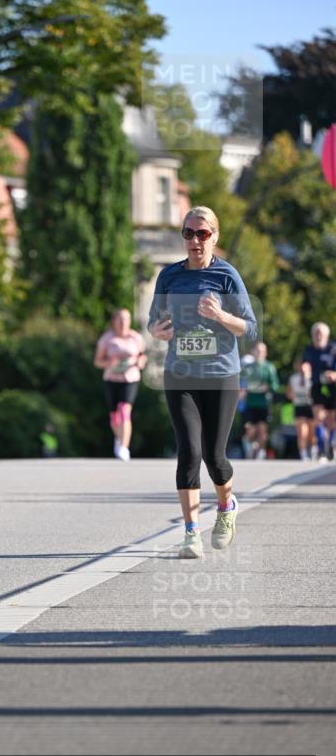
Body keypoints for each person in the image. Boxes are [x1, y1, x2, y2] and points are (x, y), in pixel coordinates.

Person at [148, 206, 257, 559]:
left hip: (221, 375)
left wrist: (220, 315)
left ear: (215, 237)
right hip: (180, 374)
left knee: (214, 456)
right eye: (188, 233)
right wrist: (158, 331)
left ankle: (226, 506)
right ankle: (191, 533)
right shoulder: (169, 277)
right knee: (189, 453)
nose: (195, 241)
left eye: (203, 233)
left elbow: (250, 328)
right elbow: (153, 322)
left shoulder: (227, 276)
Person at [94, 308, 147, 460]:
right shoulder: (107, 339)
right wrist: (109, 362)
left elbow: (143, 356)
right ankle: (119, 438)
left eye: (126, 319)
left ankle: (124, 447)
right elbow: (97, 361)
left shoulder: (135, 337)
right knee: (114, 416)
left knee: (124, 410)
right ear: (114, 321)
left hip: (130, 379)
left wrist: (140, 362)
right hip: (111, 379)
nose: (124, 322)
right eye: (120, 319)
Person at [302, 322, 336, 461]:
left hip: (333, 387)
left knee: (332, 420)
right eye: (316, 333)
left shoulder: (333, 349)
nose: (318, 335)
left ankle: (332, 447)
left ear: (326, 335)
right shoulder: (309, 350)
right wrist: (305, 369)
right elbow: (305, 363)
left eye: (320, 332)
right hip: (316, 386)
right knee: (318, 418)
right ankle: (322, 450)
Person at [241, 342, 279, 459]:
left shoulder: (269, 367)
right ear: (253, 352)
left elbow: (275, 385)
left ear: (265, 353)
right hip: (250, 404)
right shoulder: (248, 368)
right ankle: (249, 448)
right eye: (257, 350)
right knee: (250, 430)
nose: (259, 353)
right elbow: (241, 384)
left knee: (262, 430)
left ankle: (260, 452)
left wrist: (267, 387)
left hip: (263, 403)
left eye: (262, 351)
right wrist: (243, 390)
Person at [286, 358, 314, 461]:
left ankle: (313, 449)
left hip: (311, 406)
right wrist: (292, 394)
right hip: (299, 406)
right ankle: (303, 453)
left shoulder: (312, 377)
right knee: (302, 431)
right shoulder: (293, 378)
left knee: (312, 431)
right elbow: (288, 394)